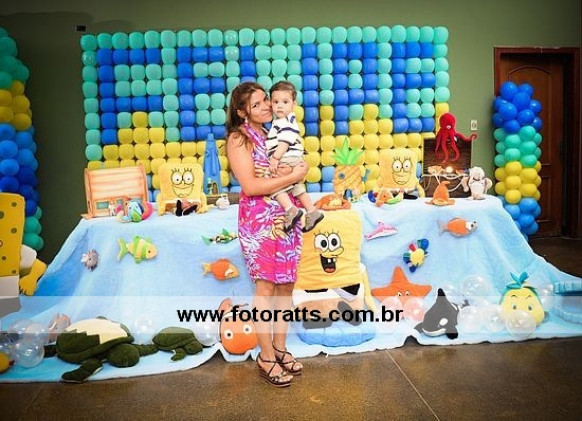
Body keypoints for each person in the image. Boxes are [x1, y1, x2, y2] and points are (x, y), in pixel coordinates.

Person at [226, 81, 306, 387]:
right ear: (242, 111)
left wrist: (292, 171)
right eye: (256, 104)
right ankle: (267, 356)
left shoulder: (273, 132)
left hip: (287, 216)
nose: (266, 107)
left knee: (286, 287)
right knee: (266, 289)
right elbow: (251, 186)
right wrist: (294, 175)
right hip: (260, 222)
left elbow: (284, 169)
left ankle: (281, 348)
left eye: (265, 101)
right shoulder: (239, 138)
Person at [267, 81, 324, 232]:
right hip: (293, 157)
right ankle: (312, 211)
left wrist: (275, 158)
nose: (279, 106)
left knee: (273, 183)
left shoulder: (284, 122)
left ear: (294, 104)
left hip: (286, 157)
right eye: (276, 102)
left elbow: (285, 142)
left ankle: (290, 209)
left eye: (285, 102)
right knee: (296, 186)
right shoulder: (285, 120)